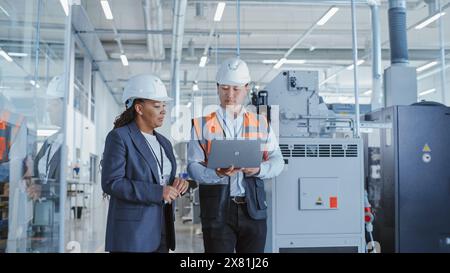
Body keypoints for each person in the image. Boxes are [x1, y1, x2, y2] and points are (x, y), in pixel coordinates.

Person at [187, 57, 285, 253]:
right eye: (224, 88)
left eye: (236, 89)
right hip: (217, 210)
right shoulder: (202, 125)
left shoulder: (261, 123)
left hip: (253, 210)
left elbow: (278, 161)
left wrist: (259, 169)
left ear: (246, 88)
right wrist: (217, 174)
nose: (229, 95)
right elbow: (192, 166)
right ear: (217, 88)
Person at [101, 74, 189, 253]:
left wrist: (178, 184)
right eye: (157, 106)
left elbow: (162, 180)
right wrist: (159, 192)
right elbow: (112, 183)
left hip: (162, 229)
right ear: (139, 108)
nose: (163, 110)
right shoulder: (119, 137)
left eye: (164, 105)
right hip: (133, 234)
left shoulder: (164, 142)